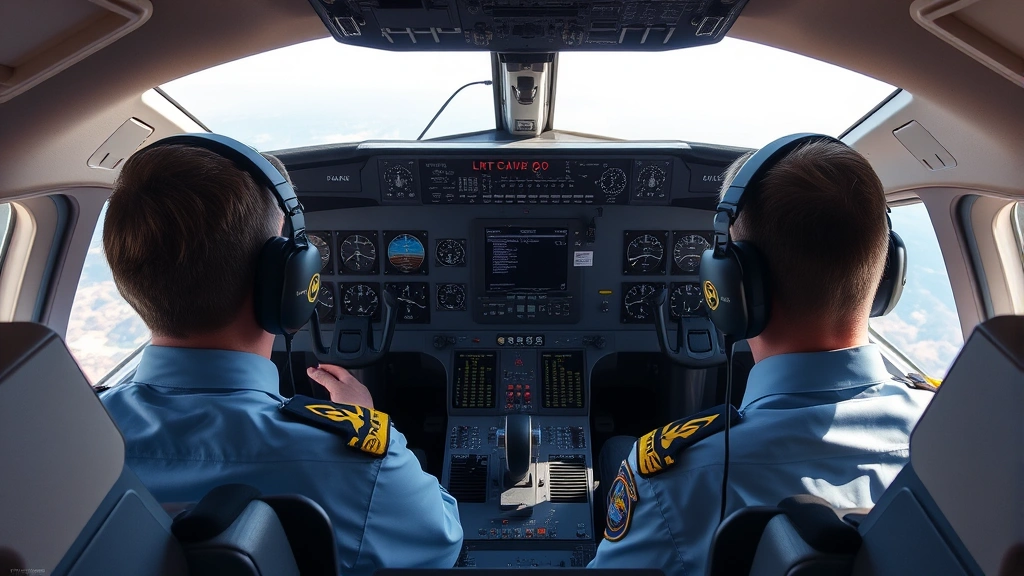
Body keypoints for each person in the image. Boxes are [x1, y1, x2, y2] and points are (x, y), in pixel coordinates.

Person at [99, 143, 463, 575]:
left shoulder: (58, 441)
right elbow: (442, 540)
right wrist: (363, 423)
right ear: (289, 280)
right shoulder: (355, 464)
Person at [588, 139, 934, 576]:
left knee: (616, 447)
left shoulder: (671, 483)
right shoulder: (955, 435)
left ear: (731, 288)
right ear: (886, 277)